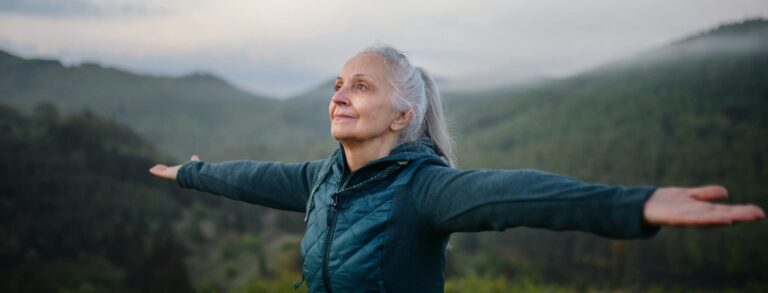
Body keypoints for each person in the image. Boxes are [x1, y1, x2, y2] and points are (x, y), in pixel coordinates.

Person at [149, 45, 765, 293]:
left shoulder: (425, 191)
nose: (338, 95)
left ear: (401, 116)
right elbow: (250, 178)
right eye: (337, 84)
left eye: (360, 86)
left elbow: (516, 195)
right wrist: (193, 173)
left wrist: (636, 204)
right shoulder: (322, 179)